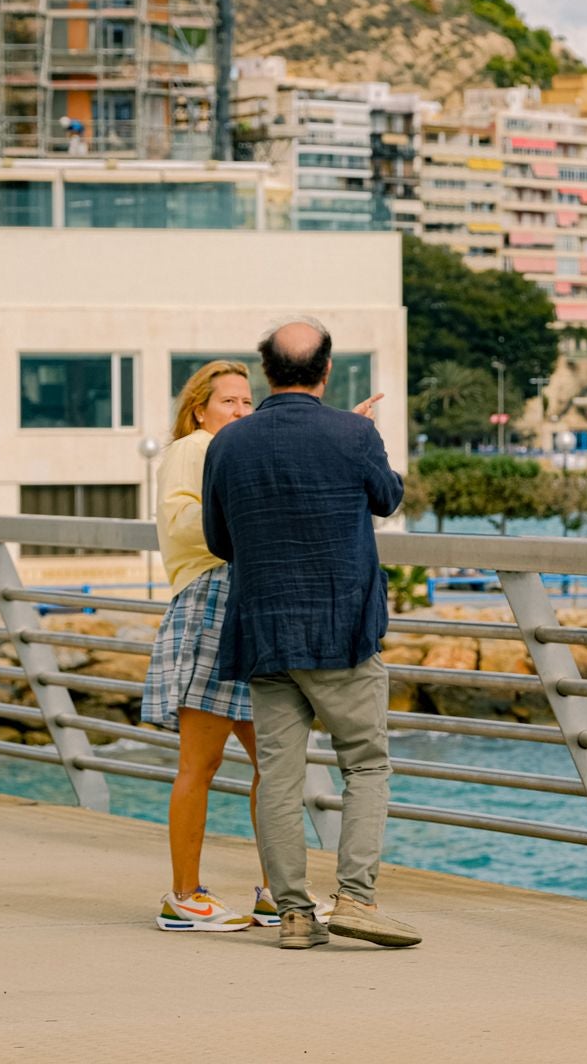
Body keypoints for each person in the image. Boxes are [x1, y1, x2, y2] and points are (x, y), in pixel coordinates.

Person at [203, 318, 416, 952]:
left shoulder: (230, 443)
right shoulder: (354, 433)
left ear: (267, 371)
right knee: (367, 765)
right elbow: (388, 498)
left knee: (279, 775)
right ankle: (355, 898)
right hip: (340, 627)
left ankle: (294, 915)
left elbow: (219, 540)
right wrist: (363, 434)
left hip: (263, 627)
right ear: (326, 370)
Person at [144, 359, 277, 931]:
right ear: (199, 409)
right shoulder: (193, 448)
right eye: (230, 402)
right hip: (210, 604)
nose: (242, 411)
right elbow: (184, 526)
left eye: (249, 402)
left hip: (244, 608)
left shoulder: (231, 452)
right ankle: (183, 895)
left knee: (274, 762)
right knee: (201, 762)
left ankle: (279, 891)